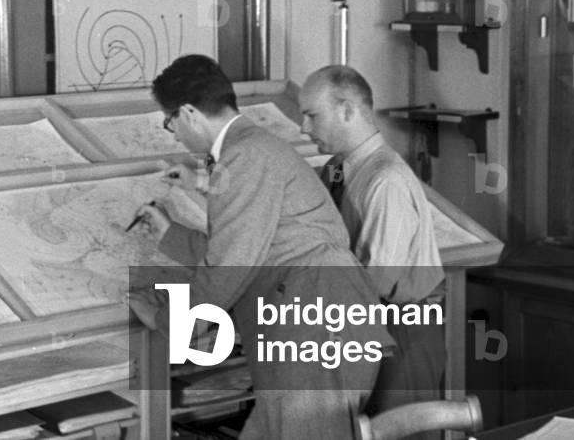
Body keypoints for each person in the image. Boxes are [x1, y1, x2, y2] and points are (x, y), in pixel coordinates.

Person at [127, 54, 393, 440]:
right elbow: (250, 246)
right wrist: (169, 233)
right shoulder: (249, 149)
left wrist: (163, 321)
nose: (173, 132)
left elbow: (229, 269)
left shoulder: (244, 157)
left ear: (187, 112)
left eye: (170, 121)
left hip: (313, 329)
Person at [299, 65, 446, 435]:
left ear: (347, 111)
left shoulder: (385, 181)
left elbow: (374, 281)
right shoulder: (338, 168)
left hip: (400, 332)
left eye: (312, 115)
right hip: (362, 327)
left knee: (397, 431)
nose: (303, 127)